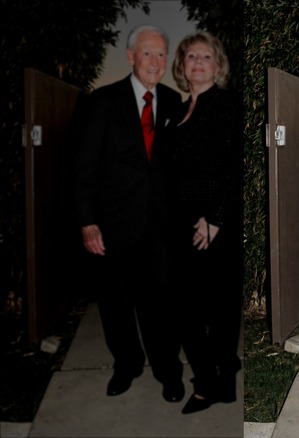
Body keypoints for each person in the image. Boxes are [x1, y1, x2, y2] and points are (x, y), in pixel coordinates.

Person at [73, 24, 184, 402]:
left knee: (162, 305)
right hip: (114, 227)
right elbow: (84, 168)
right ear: (131, 56)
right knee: (116, 304)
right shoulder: (103, 101)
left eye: (161, 54)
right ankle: (127, 365)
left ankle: (169, 371)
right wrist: (88, 222)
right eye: (148, 53)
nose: (155, 62)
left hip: (161, 230)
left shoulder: (174, 102)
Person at [166, 31, 243, 415]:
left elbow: (233, 167)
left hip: (215, 221)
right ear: (181, 66)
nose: (197, 62)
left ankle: (215, 384)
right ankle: (217, 377)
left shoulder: (227, 105)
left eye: (205, 57)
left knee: (218, 307)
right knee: (187, 308)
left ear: (218, 65)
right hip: (180, 220)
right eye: (190, 57)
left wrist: (214, 219)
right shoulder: (178, 111)